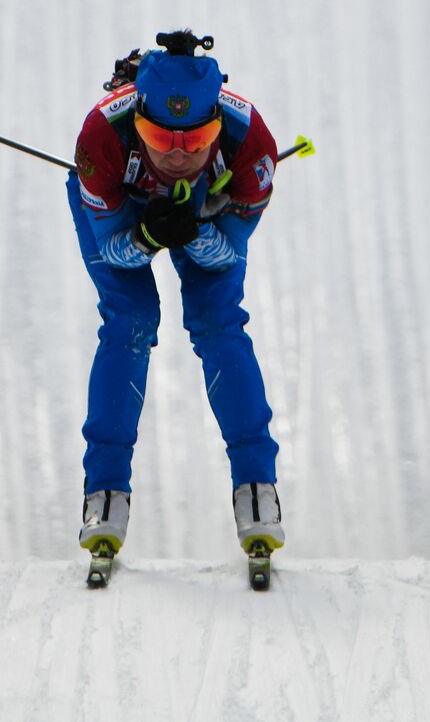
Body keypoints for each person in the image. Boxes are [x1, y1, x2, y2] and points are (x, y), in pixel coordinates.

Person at [66, 30, 284, 559]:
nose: (180, 156)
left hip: (208, 210)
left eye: (195, 139)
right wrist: (145, 236)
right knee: (130, 322)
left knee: (218, 322)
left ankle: (258, 488)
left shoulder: (251, 146)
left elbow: (226, 257)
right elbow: (115, 253)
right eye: (162, 140)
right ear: (138, 122)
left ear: (217, 126)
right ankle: (105, 493)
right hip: (122, 202)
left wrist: (199, 228)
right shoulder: (101, 139)